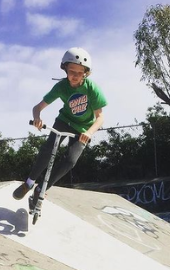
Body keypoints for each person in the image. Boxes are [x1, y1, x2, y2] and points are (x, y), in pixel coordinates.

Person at [13, 47, 107, 206]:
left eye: (79, 72)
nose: (75, 76)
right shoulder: (61, 87)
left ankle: (41, 188)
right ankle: (29, 183)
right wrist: (37, 118)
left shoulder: (92, 88)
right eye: (72, 71)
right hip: (64, 121)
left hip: (83, 129)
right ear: (65, 70)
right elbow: (37, 107)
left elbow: (100, 117)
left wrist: (89, 133)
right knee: (48, 149)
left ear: (85, 73)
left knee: (70, 161)